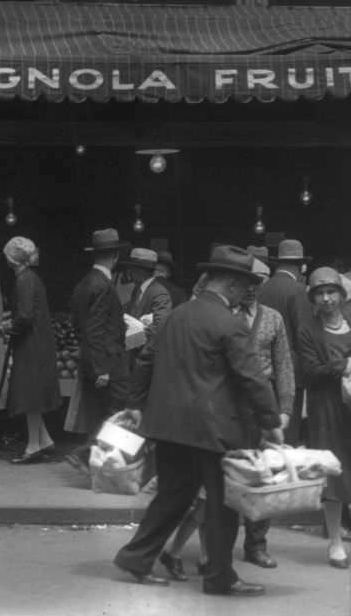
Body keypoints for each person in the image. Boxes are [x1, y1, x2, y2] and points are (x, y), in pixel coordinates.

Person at [114, 245, 284, 597]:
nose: (246, 293)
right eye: (245, 286)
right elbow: (252, 377)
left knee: (173, 496)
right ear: (233, 285)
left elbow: (146, 360)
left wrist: (135, 403)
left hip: (168, 425)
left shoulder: (177, 315)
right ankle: (220, 577)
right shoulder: (230, 324)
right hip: (213, 429)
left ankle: (136, 557)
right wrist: (271, 421)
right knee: (224, 504)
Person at [157, 257, 295, 577]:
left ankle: (255, 545)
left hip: (260, 411)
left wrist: (284, 410)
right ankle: (205, 557)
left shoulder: (272, 318)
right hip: (224, 413)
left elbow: (284, 365)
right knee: (214, 491)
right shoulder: (220, 314)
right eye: (247, 282)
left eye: (257, 282)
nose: (251, 289)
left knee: (260, 481)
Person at [297, 267, 351, 569]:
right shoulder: (308, 331)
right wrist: (343, 366)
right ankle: (334, 542)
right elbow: (309, 373)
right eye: (320, 293)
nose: (327, 298)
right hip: (327, 409)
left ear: (342, 295)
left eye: (331, 292)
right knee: (332, 472)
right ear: (313, 298)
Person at [64, 229, 130, 472]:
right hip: (109, 360)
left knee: (106, 412)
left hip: (93, 357)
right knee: (121, 409)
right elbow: (95, 328)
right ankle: (88, 454)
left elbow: (77, 323)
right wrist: (102, 367)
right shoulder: (103, 286)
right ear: (115, 255)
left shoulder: (84, 284)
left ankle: (106, 462)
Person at [2, 237, 61, 464]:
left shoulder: (23, 280)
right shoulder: (31, 277)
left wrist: (8, 328)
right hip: (39, 341)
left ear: (11, 259)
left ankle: (33, 446)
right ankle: (43, 440)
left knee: (30, 395)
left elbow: (25, 315)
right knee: (33, 393)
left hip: (31, 344)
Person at [258, 239, 313, 444]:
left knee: (265, 434)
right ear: (301, 266)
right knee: (288, 433)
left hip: (262, 369)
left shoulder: (261, 288)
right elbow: (304, 334)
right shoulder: (298, 290)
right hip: (291, 372)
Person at [121, 247, 173, 363]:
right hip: (134, 356)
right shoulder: (137, 289)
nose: (129, 273)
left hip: (147, 359)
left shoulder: (160, 293)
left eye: (131, 269)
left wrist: (130, 341)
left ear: (139, 271)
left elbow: (160, 327)